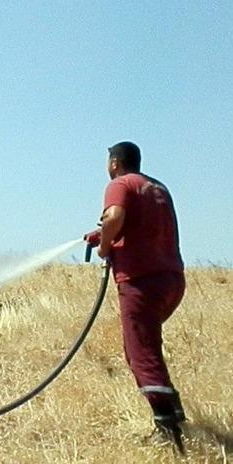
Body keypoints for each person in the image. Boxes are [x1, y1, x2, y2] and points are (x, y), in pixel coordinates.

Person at [86, 141, 186, 451]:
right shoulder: (156, 187)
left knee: (140, 355)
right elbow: (139, 225)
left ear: (115, 163)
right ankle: (176, 417)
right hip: (171, 280)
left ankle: (169, 434)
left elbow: (115, 216)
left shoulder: (119, 184)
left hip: (141, 282)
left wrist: (105, 247)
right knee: (149, 348)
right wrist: (101, 235)